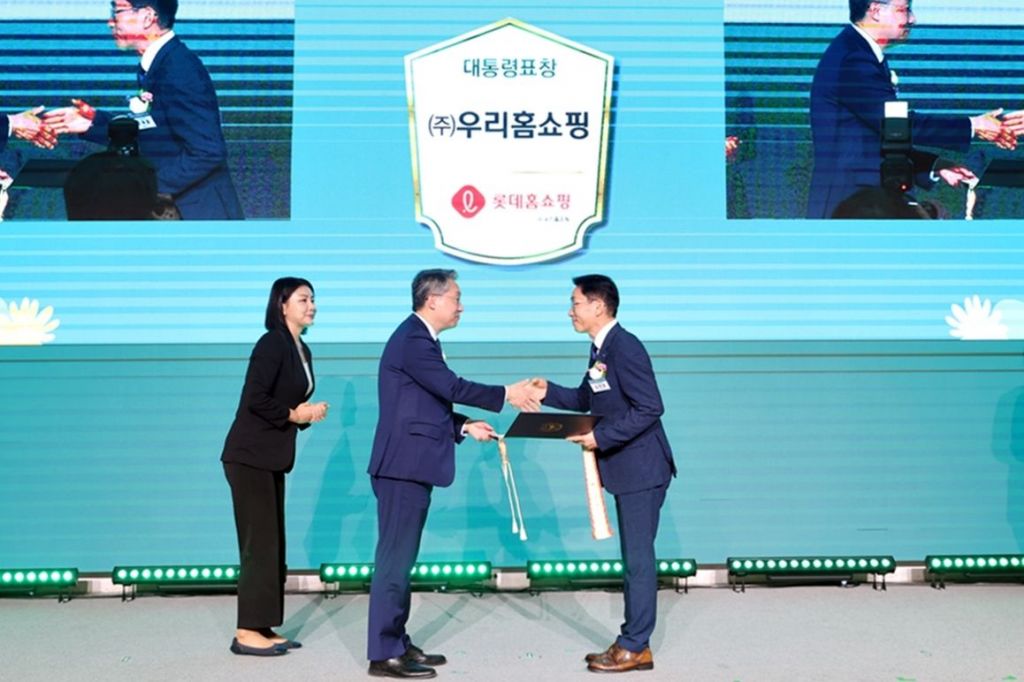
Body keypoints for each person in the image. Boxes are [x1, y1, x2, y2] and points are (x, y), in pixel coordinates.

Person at [365, 269, 543, 679]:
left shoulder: (421, 339)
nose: (461, 306)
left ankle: (397, 641)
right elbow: (451, 387)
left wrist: (463, 426)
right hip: (401, 468)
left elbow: (424, 404)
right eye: (456, 298)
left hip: (409, 465)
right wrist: (508, 394)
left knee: (402, 559)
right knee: (394, 561)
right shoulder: (413, 339)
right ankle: (384, 652)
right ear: (432, 300)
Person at [535, 274, 676, 674]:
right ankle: (631, 640)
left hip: (642, 468)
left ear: (598, 306)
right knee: (633, 559)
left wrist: (600, 437)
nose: (570, 311)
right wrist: (546, 391)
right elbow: (586, 397)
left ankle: (635, 647)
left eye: (575, 303)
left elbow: (650, 407)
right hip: (626, 468)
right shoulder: (601, 348)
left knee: (638, 561)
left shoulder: (625, 347)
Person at [807, 0, 1017, 219]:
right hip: (852, 209)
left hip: (862, 204)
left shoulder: (858, 52)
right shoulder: (853, 59)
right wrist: (974, 125)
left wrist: (934, 165)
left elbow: (872, 139)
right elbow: (895, 127)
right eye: (904, 10)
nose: (912, 19)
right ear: (876, 11)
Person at [43, 0, 243, 220]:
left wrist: (145, 189)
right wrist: (92, 123)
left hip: (197, 215)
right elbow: (159, 130)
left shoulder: (179, 69)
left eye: (117, 11)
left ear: (148, 17)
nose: (110, 22)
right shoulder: (162, 62)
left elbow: (207, 151)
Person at [221, 277, 329, 657]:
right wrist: (293, 414)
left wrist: (304, 414)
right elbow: (255, 398)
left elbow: (287, 405)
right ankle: (246, 631)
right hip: (249, 456)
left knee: (272, 544)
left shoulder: (301, 349)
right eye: (303, 299)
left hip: (271, 457)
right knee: (259, 545)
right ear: (282, 305)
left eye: (313, 299)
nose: (311, 305)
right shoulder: (271, 343)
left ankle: (263, 624)